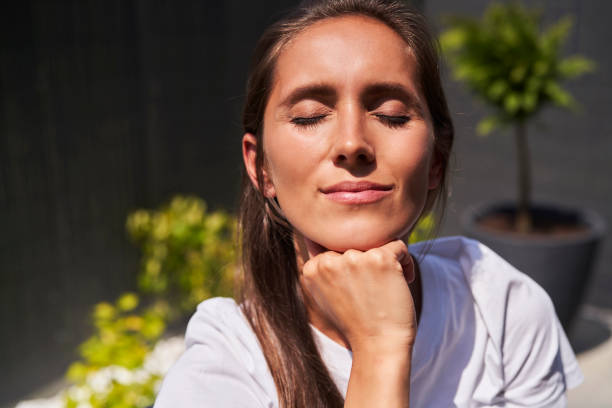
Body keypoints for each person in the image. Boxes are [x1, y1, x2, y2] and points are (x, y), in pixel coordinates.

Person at [154, 0, 583, 406]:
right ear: (260, 167)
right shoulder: (222, 369)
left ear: (437, 158)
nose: (351, 143)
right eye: (308, 116)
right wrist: (379, 348)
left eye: (392, 114)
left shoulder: (500, 307)